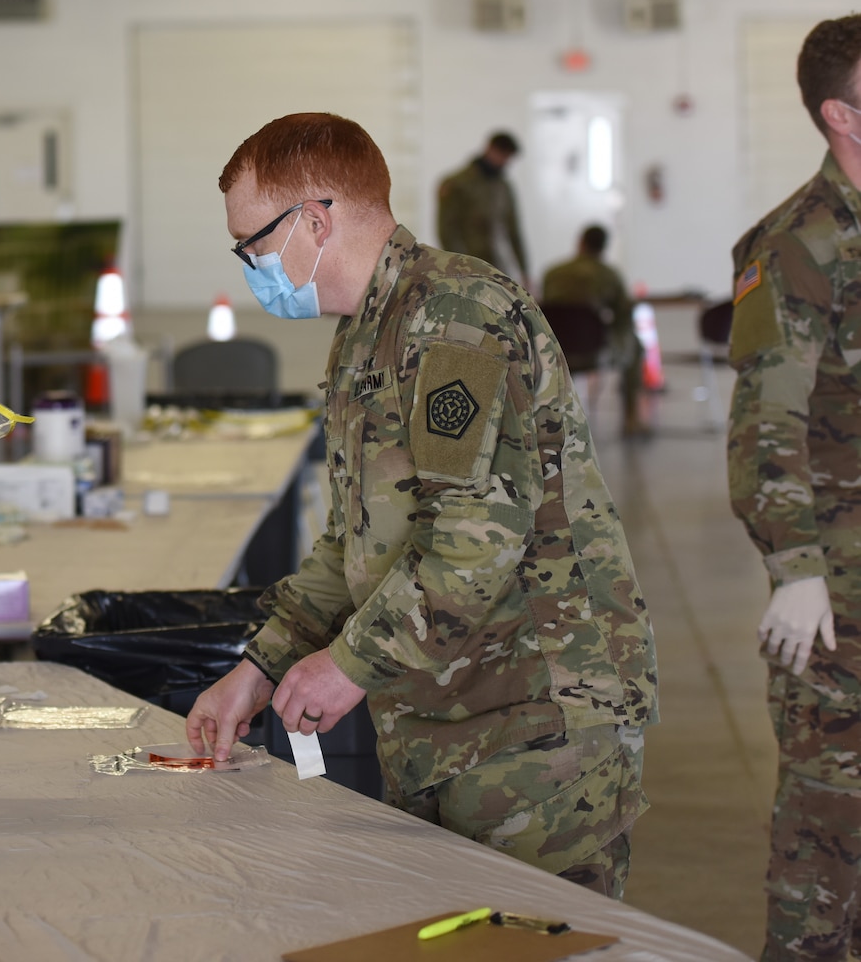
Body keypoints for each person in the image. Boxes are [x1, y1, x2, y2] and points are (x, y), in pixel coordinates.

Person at [188, 112, 658, 897]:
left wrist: (345, 666)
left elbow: (475, 544)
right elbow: (353, 543)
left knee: (534, 948)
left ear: (314, 220)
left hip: (532, 717)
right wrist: (260, 666)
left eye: (254, 245)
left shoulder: (457, 320)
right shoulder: (366, 332)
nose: (250, 265)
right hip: (439, 712)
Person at [726, 13, 861, 962]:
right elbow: (764, 422)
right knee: (828, 845)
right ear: (841, 115)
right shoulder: (798, 247)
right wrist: (796, 568)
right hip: (843, 600)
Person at [540, 224, 647, 437]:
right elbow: (623, 317)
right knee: (636, 346)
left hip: (555, 353)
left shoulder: (553, 273)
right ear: (604, 247)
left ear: (580, 242)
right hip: (594, 352)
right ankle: (631, 419)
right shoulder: (608, 275)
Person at [437, 131, 529, 287]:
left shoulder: (503, 187)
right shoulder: (456, 184)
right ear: (490, 149)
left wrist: (524, 272)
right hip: (468, 267)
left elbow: (514, 232)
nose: (504, 162)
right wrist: (460, 268)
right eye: (502, 155)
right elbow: (448, 231)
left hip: (497, 267)